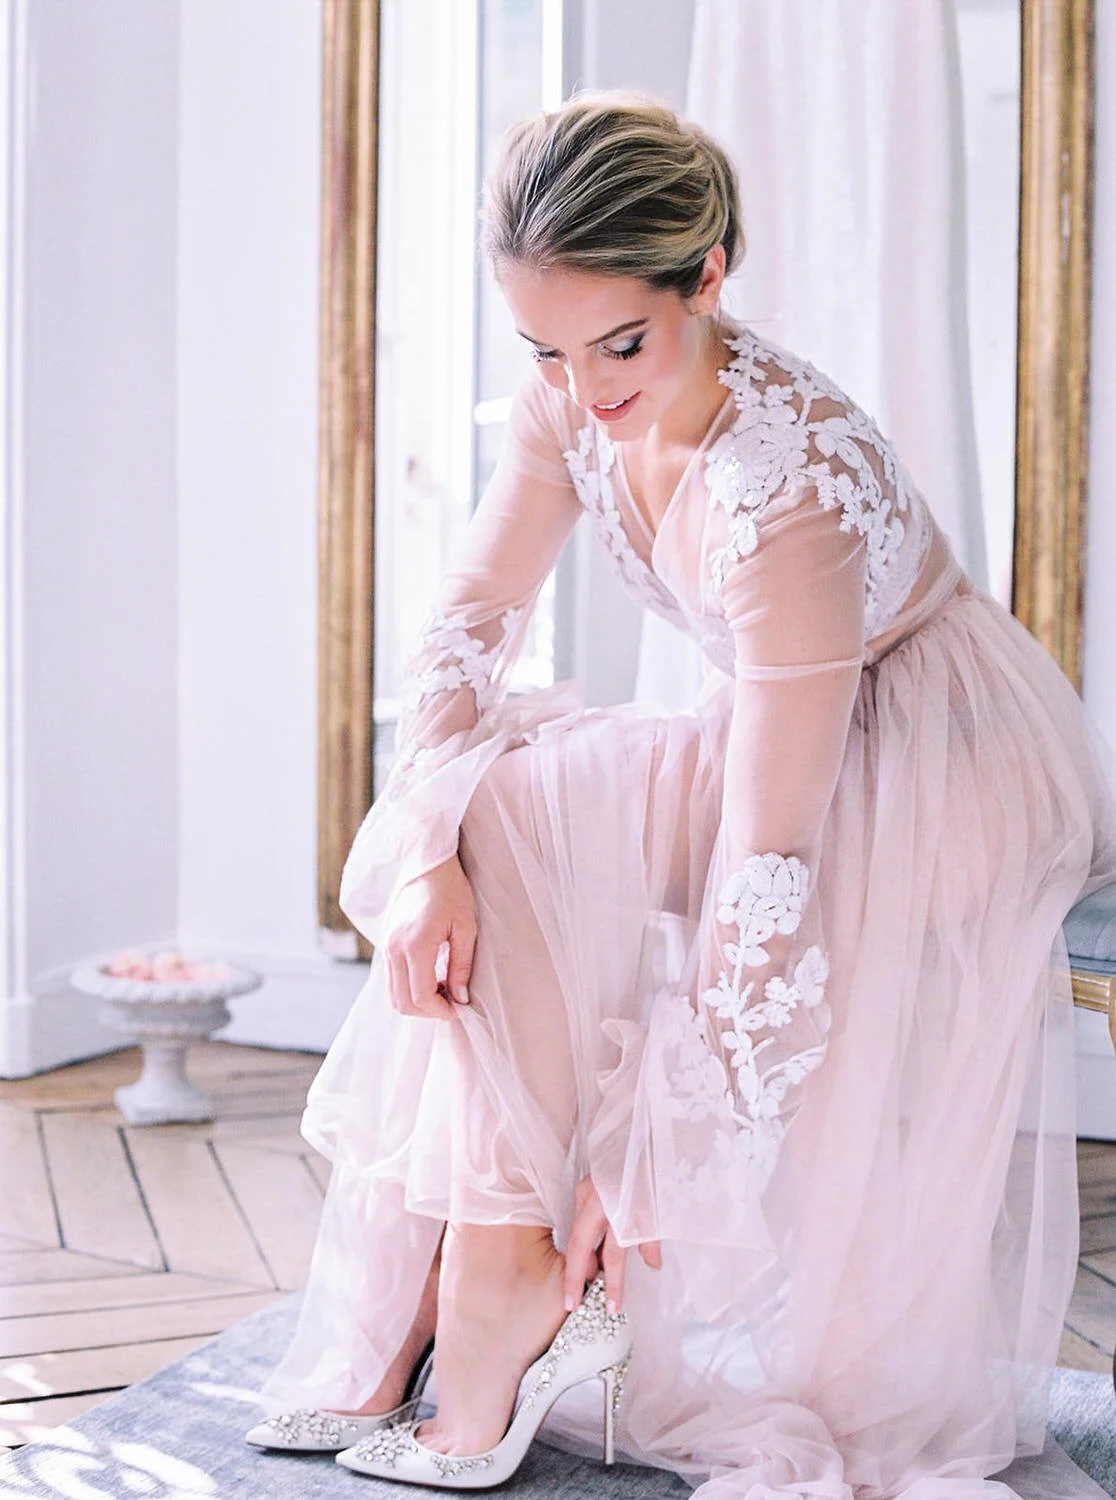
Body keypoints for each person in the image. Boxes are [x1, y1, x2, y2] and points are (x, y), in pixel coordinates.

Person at [247, 92, 1116, 1498]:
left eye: (621, 343)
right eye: (545, 348)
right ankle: (479, 1267)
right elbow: (470, 618)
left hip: (936, 772)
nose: (584, 388)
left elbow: (768, 867)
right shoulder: (572, 401)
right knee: (494, 813)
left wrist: (651, 1152)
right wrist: (424, 856)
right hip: (785, 735)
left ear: (707, 279)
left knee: (554, 828)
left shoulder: (787, 491)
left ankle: (487, 1294)